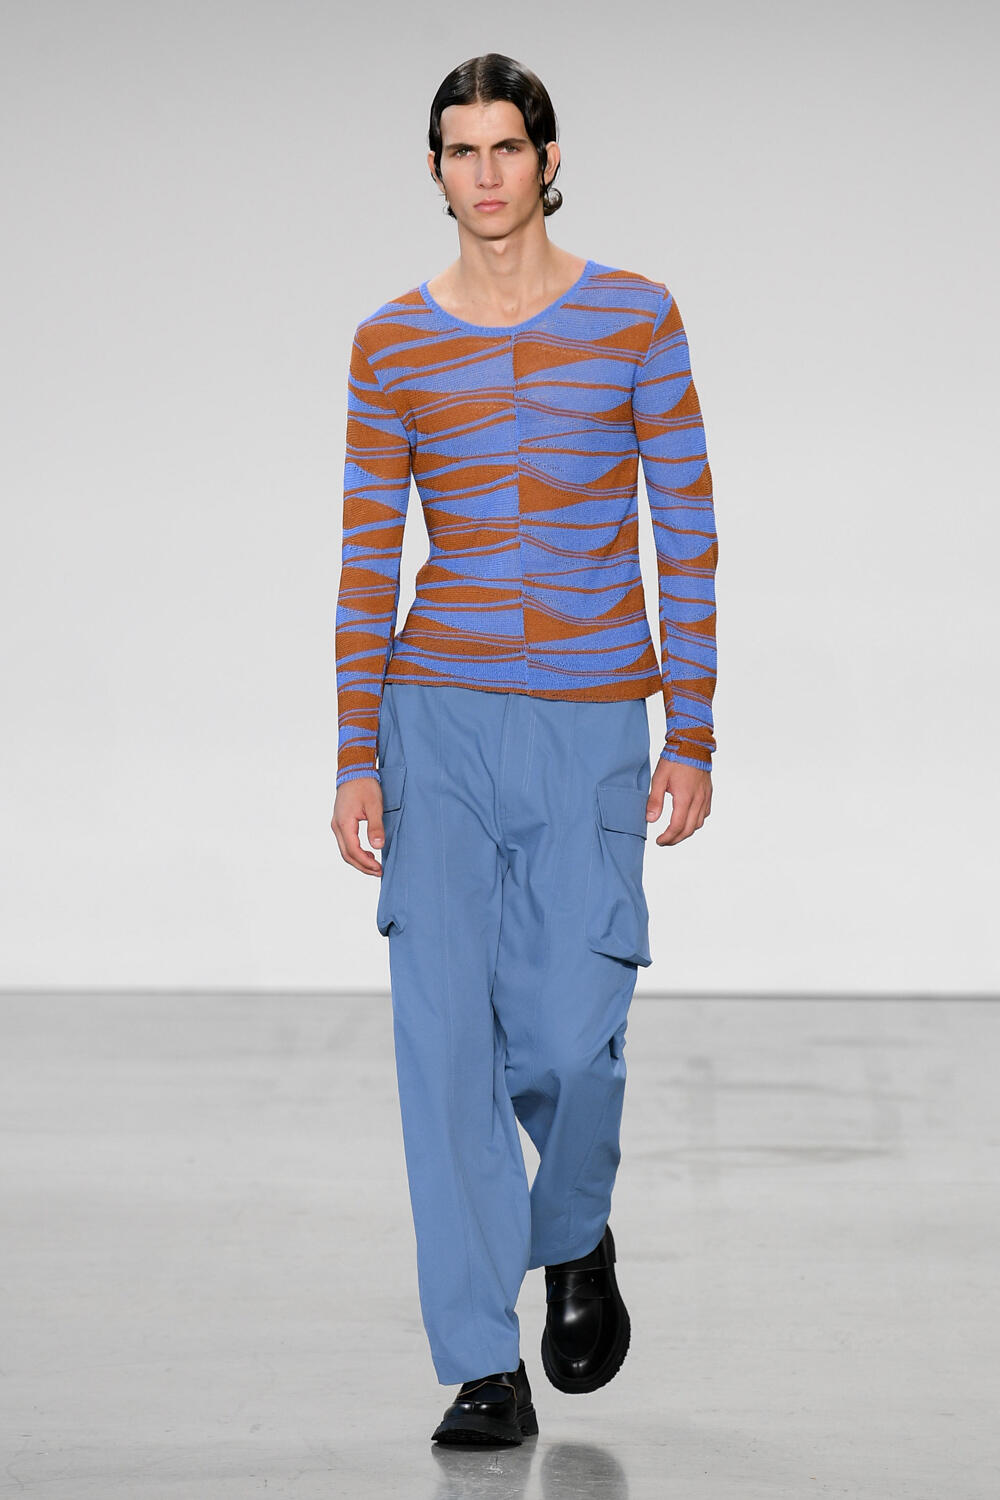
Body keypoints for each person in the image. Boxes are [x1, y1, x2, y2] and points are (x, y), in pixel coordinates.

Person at [330, 52, 718, 1446]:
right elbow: (368, 554)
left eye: (508, 147)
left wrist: (695, 723)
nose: (485, 173)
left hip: (593, 719)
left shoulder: (637, 318)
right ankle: (481, 1364)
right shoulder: (390, 344)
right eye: (461, 149)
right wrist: (354, 751)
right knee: (443, 1048)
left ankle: (575, 1229)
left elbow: (687, 525)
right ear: (435, 170)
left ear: (550, 161)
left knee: (570, 1033)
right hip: (435, 717)